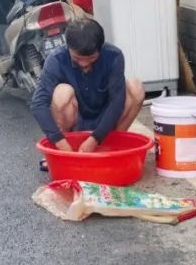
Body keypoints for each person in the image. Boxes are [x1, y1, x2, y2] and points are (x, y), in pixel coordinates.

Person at [30, 19, 145, 166]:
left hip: (106, 123)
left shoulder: (114, 56)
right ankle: (64, 153)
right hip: (75, 124)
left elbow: (117, 100)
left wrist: (95, 138)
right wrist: (59, 142)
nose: (84, 64)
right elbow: (38, 104)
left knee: (136, 88)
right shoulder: (56, 60)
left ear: (101, 48)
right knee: (61, 93)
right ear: (68, 47)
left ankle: (112, 145)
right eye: (77, 58)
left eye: (92, 58)